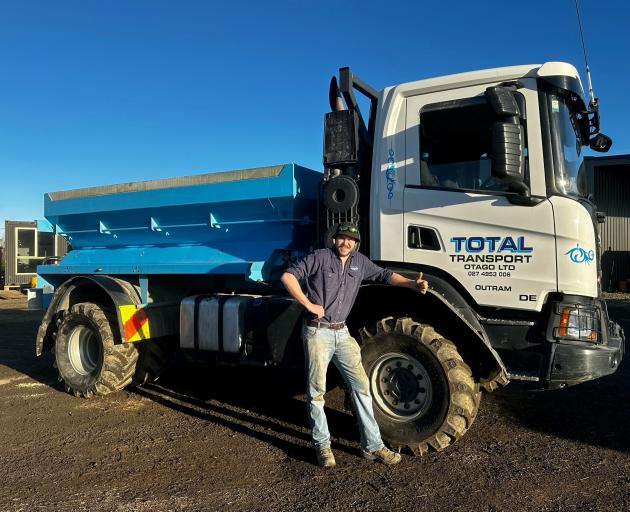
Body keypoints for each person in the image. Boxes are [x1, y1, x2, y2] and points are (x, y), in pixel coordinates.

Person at [280, 222, 429, 468]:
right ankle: (323, 446)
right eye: (341, 238)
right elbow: (288, 276)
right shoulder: (320, 257)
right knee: (316, 392)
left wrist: (411, 284)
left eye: (350, 239)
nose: (345, 243)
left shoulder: (360, 262)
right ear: (334, 239)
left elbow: (385, 275)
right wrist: (308, 305)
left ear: (356, 243)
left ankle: (372, 446)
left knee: (361, 387)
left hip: (342, 333)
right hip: (318, 333)